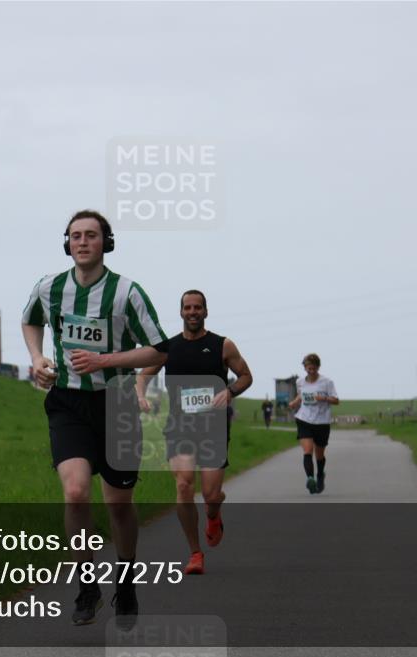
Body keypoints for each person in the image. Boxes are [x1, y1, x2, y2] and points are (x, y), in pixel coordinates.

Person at [22, 210, 166, 628]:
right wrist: (36, 359)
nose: (83, 242)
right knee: (75, 492)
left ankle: (126, 579)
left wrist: (107, 359)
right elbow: (30, 320)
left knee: (118, 504)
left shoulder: (127, 293)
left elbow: (160, 349)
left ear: (107, 242)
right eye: (75, 236)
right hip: (68, 403)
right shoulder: (50, 288)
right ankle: (87, 584)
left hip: (118, 404)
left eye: (91, 235)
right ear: (67, 243)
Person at [73, 290, 253, 575]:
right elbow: (144, 375)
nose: (192, 312)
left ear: (205, 312)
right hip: (179, 426)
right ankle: (195, 553)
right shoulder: (168, 347)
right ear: (181, 312)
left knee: (211, 493)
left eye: (198, 308)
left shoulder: (223, 345)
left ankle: (214, 514)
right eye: (187, 307)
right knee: (183, 486)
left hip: (213, 428)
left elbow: (246, 376)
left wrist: (229, 392)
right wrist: (141, 395)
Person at [288, 353, 339, 494]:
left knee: (319, 455)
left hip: (322, 422)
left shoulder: (327, 382)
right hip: (304, 419)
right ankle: (310, 479)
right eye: (308, 368)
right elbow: (301, 395)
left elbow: (336, 400)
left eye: (314, 369)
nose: (311, 371)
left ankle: (320, 475)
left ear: (318, 367)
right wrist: (294, 402)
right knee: (307, 451)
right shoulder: (300, 382)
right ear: (304, 367)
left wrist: (323, 398)